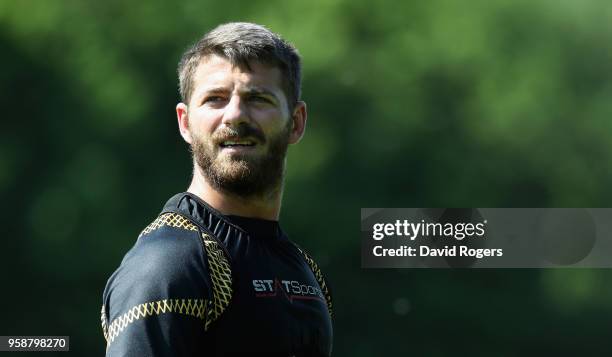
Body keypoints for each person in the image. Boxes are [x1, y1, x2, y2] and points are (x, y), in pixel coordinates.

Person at [100, 22, 333, 356]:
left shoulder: (302, 269)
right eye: (215, 99)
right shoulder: (169, 264)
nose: (235, 115)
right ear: (185, 123)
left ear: (295, 122)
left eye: (258, 98)